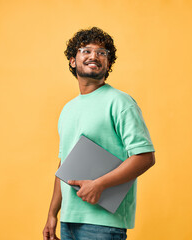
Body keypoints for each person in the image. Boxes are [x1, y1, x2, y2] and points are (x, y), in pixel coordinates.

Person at [43, 27, 156, 240]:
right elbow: (63, 166)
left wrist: (99, 185)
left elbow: (145, 157)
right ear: (72, 61)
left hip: (103, 225)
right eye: (86, 50)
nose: (94, 55)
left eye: (102, 53)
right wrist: (52, 214)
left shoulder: (120, 102)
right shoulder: (68, 109)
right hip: (69, 222)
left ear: (109, 64)